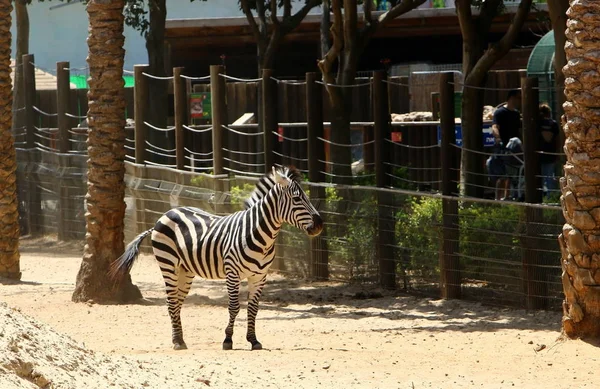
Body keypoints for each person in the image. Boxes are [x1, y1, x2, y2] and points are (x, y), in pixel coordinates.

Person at [491, 89, 522, 200]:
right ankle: (497, 197)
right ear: (511, 98)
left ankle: (507, 196)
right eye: (518, 98)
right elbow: (495, 126)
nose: (519, 101)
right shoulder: (499, 112)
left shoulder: (516, 114)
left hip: (514, 146)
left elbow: (518, 130)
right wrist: (498, 139)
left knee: (512, 172)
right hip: (503, 145)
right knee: (502, 173)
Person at [538, 103, 560, 197]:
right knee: (549, 177)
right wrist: (557, 153)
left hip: (539, 154)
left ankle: (541, 196)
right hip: (550, 153)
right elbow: (557, 139)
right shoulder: (553, 124)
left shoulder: (537, 123)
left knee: (540, 178)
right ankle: (550, 197)